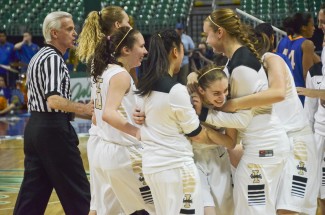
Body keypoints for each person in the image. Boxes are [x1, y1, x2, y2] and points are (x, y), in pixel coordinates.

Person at [193, 8, 290, 214]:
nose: (207, 41)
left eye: (207, 34)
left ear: (220, 32)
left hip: (264, 146)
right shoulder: (234, 60)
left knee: (253, 210)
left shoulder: (242, 66)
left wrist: (204, 115)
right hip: (261, 145)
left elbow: (243, 120)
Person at [136, 29, 236, 215]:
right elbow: (196, 134)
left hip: (153, 168)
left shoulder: (145, 86)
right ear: (176, 51)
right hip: (177, 168)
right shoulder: (176, 90)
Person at [221, 30, 318, 215]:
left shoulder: (271, 59)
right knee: (271, 207)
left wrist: (232, 104)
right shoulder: (237, 65)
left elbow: (277, 94)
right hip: (275, 142)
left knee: (289, 209)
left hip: (297, 140)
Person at [13, 11, 93, 215]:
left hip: (36, 128)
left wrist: (88, 113)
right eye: (69, 29)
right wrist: (85, 109)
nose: (74, 33)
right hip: (53, 131)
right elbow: (54, 100)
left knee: (32, 196)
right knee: (79, 193)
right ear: (54, 33)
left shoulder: (38, 56)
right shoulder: (53, 59)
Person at [90, 26, 155, 215]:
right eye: (141, 46)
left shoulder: (103, 70)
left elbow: (96, 115)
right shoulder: (121, 75)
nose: (145, 51)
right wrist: (137, 132)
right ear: (126, 50)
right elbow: (108, 114)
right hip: (124, 155)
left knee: (106, 211)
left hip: (104, 152)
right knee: (157, 207)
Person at [76, 6, 131, 214]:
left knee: (98, 206)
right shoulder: (116, 61)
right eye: (127, 22)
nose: (130, 26)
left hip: (97, 138)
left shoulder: (98, 55)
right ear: (117, 25)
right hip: (111, 140)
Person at [191, 65, 235, 215]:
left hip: (219, 158)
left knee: (225, 210)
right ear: (202, 91)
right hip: (193, 158)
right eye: (216, 93)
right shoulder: (191, 98)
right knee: (205, 207)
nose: (222, 97)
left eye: (225, 91)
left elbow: (230, 142)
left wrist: (204, 128)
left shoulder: (229, 105)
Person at [277, 12, 320, 105]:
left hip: (284, 93)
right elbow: (307, 75)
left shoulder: (282, 41)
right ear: (303, 27)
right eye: (312, 25)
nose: (314, 28)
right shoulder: (307, 44)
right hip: (300, 94)